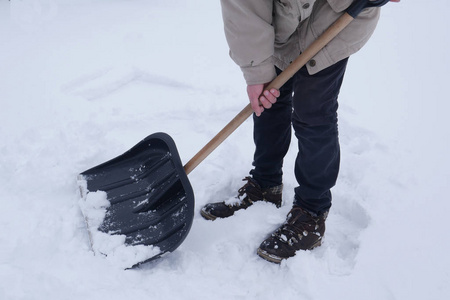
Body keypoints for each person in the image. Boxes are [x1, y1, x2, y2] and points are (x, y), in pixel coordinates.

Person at [201, 0, 400, 264]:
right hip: (283, 17)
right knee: (270, 96)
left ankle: (312, 213)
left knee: (313, 111)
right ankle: (265, 185)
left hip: (337, 15)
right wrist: (255, 71)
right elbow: (243, 6)